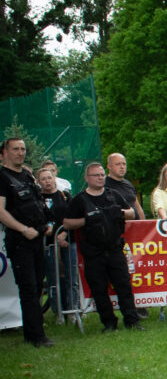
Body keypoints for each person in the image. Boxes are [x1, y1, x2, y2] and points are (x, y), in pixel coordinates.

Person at [63, 162, 144, 333]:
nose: (100, 178)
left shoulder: (113, 195)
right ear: (87, 178)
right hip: (93, 252)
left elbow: (131, 213)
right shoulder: (80, 200)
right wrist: (87, 220)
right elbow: (67, 223)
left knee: (124, 286)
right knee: (99, 290)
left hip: (115, 249)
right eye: (96, 175)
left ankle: (132, 321)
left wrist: (120, 213)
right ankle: (109, 323)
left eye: (102, 175)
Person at [0, 138, 53, 347]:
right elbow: (1, 211)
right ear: (4, 153)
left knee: (38, 286)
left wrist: (46, 224)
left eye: (22, 149)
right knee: (29, 288)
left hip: (37, 238)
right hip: (20, 241)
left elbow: (38, 203)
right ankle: (36, 336)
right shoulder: (2, 177)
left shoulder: (27, 175)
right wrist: (23, 229)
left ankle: (34, 332)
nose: (20, 152)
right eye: (15, 149)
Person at [39, 167, 71, 323]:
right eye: (43, 179)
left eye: (49, 178)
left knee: (70, 275)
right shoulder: (37, 199)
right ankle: (58, 310)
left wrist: (64, 232)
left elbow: (72, 215)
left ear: (54, 178)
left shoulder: (64, 196)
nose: (47, 181)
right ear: (39, 182)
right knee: (53, 277)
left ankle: (72, 308)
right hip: (49, 244)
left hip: (66, 241)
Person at [105, 153, 144, 221]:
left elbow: (138, 207)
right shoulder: (104, 186)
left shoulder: (128, 184)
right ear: (109, 166)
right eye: (118, 164)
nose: (122, 167)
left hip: (136, 225)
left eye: (124, 164)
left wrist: (143, 223)